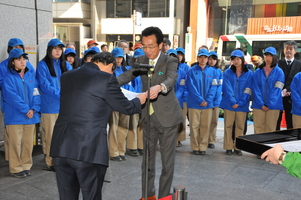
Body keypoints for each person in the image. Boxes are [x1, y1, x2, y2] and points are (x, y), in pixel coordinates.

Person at [50, 52, 146, 200]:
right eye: (112, 69)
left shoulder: (67, 76)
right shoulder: (106, 79)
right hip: (88, 148)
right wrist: (141, 99)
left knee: (67, 196)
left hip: (61, 147)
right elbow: (127, 107)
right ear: (108, 65)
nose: (112, 73)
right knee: (91, 195)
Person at [117, 26, 183, 200]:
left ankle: (163, 197)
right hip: (148, 117)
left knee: (167, 163)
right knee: (147, 162)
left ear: (161, 45)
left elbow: (171, 78)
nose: (148, 50)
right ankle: (148, 196)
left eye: (151, 46)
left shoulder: (170, 61)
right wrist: (105, 84)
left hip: (168, 118)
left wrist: (160, 87)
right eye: (144, 46)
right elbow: (125, 76)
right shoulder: (141, 60)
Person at [2, 49, 40, 178]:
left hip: (31, 116)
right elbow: (11, 97)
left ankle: (26, 165)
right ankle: (15, 168)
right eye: (19, 59)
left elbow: (36, 93)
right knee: (15, 143)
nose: (22, 61)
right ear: (12, 62)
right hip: (15, 116)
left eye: (24, 59)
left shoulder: (31, 76)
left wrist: (33, 109)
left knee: (28, 143)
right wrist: (26, 109)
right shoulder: (8, 77)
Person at [36, 38, 72, 171]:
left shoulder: (65, 65)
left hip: (64, 106)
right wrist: (61, 94)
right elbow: (45, 86)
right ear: (49, 50)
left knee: (64, 134)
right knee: (50, 135)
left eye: (60, 49)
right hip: (49, 106)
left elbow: (71, 81)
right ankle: (51, 161)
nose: (58, 51)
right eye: (55, 48)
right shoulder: (43, 65)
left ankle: (62, 159)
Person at [0, 38, 35, 161]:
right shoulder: (4, 67)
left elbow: (35, 89)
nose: (18, 50)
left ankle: (23, 163)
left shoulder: (28, 67)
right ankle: (13, 162)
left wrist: (34, 108)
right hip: (11, 106)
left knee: (26, 141)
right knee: (13, 138)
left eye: (20, 47)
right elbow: (9, 93)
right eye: (15, 48)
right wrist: (25, 108)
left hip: (28, 109)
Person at [220, 49, 253, 156]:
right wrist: (233, 101)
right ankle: (228, 147)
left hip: (242, 105)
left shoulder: (249, 74)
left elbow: (248, 89)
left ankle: (238, 147)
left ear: (242, 60)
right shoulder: (227, 73)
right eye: (234, 59)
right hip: (229, 104)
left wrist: (240, 102)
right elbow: (227, 89)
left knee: (240, 127)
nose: (236, 61)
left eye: (238, 59)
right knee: (228, 126)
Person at [186, 49, 218, 155]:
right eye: (201, 57)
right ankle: (195, 147)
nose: (203, 59)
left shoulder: (213, 72)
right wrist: (200, 100)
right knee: (194, 126)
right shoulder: (191, 71)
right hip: (194, 104)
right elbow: (191, 87)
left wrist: (208, 100)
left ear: (208, 58)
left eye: (205, 57)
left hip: (208, 105)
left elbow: (214, 87)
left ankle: (203, 147)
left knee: (205, 126)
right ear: (197, 58)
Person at [108, 47, 134, 161]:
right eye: (116, 57)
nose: (118, 60)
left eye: (120, 57)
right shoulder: (109, 71)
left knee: (124, 126)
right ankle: (113, 152)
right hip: (114, 102)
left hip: (125, 101)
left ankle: (121, 150)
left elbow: (131, 85)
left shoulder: (126, 69)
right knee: (113, 126)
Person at [252, 47, 284, 134]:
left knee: (270, 130)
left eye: (270, 56)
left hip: (274, 106)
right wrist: (261, 104)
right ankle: (259, 148)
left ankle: (268, 148)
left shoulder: (279, 72)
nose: (268, 58)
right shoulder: (258, 71)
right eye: (266, 55)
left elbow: (277, 89)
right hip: (258, 105)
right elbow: (255, 88)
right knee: (258, 129)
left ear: (274, 57)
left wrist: (270, 104)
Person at [276, 40, 301, 130]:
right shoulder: (278, 64)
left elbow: (298, 81)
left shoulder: (299, 64)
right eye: (287, 48)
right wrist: (282, 90)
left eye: (291, 48)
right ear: (283, 50)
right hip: (278, 95)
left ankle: (290, 142)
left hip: (292, 97)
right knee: (276, 120)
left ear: (295, 51)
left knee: (291, 122)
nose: (288, 51)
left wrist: (288, 90)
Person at [208, 51, 223, 149]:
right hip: (207, 100)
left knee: (214, 121)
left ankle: (211, 140)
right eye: (210, 58)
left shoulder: (219, 72)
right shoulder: (205, 70)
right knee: (205, 121)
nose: (212, 61)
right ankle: (204, 139)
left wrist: (217, 97)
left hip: (216, 100)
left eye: (214, 59)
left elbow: (220, 86)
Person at [175, 47, 190, 147]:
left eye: (181, 54)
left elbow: (185, 85)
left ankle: (180, 138)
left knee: (181, 119)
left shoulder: (186, 68)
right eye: (177, 54)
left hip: (182, 99)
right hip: (171, 99)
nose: (179, 56)